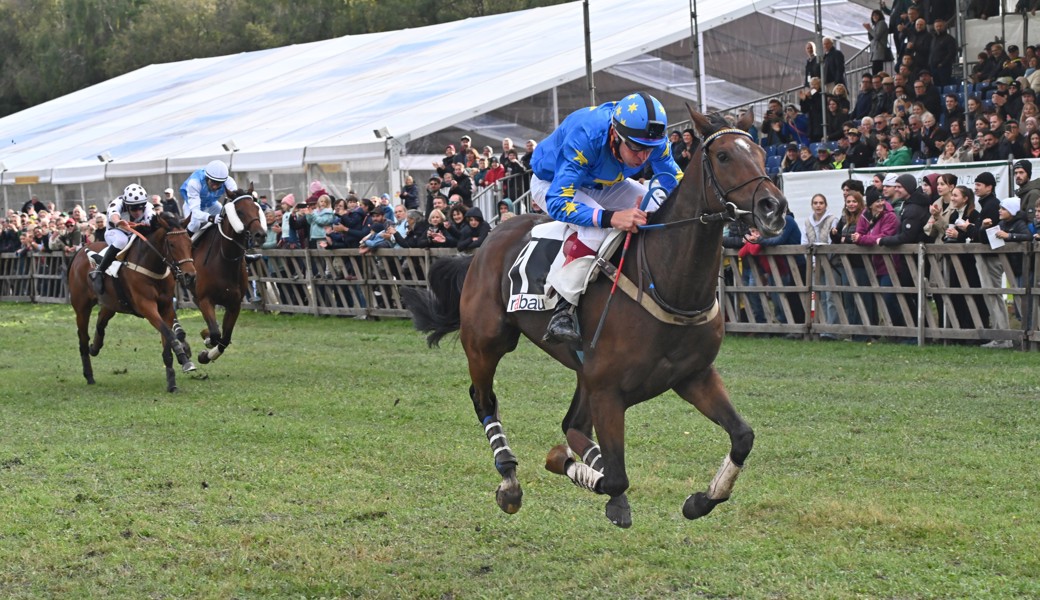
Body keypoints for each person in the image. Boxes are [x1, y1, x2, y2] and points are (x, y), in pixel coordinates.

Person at [529, 91, 683, 343]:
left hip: (603, 182)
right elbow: (559, 202)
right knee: (595, 229)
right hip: (552, 183)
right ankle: (562, 309)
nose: (644, 157)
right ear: (615, 133)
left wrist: (655, 196)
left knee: (655, 210)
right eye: (636, 148)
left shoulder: (653, 139)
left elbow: (673, 180)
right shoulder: (586, 134)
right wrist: (610, 217)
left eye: (650, 150)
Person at [90, 184, 155, 294]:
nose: (138, 212)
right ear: (127, 205)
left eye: (141, 207)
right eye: (134, 208)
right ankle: (99, 272)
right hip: (115, 232)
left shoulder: (148, 206)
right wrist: (118, 222)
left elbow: (152, 219)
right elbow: (114, 215)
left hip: (135, 233)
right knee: (122, 240)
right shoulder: (117, 203)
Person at [803, 194, 839, 338]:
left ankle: (833, 329)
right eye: (815, 203)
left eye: (821, 203)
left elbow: (831, 242)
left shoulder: (832, 220)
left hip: (829, 263)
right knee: (819, 297)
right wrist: (811, 261)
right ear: (812, 205)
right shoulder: (807, 222)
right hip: (813, 264)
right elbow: (804, 241)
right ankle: (823, 327)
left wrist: (823, 260)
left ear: (825, 205)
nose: (818, 205)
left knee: (831, 295)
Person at [180, 159, 238, 235]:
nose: (215, 187)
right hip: (192, 206)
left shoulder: (229, 182)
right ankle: (187, 243)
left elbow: (237, 198)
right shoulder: (194, 183)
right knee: (195, 224)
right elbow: (196, 212)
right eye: (213, 182)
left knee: (227, 218)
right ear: (207, 178)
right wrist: (211, 218)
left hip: (211, 204)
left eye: (219, 184)